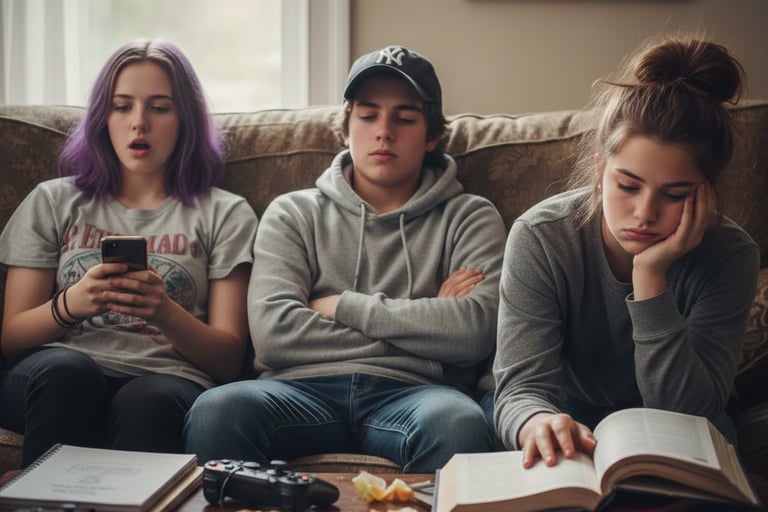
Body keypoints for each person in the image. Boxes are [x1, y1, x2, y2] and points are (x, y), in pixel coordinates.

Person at [184, 45, 506, 473]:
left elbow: (473, 333)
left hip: (417, 394)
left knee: (459, 423)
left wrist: (339, 305)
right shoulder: (293, 212)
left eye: (405, 118)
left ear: (432, 135)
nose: (384, 132)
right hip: (296, 392)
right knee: (218, 410)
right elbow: (274, 334)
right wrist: (430, 333)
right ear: (345, 127)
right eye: (368, 115)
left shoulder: (470, 216)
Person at [493, 34, 759, 469]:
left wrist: (651, 279)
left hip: (674, 426)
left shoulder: (730, 255)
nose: (644, 213)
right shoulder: (542, 236)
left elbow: (690, 411)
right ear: (600, 170)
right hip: (566, 415)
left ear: (707, 192)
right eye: (628, 186)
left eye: (674, 194)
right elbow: (519, 390)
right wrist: (537, 421)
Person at [0, 39, 258, 467]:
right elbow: (10, 336)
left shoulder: (225, 213)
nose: (140, 123)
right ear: (103, 117)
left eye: (159, 107)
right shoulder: (53, 201)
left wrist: (165, 312)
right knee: (70, 374)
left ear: (185, 119)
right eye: (122, 107)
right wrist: (71, 305)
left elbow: (229, 360)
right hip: (55, 374)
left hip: (166, 379)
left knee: (150, 398)